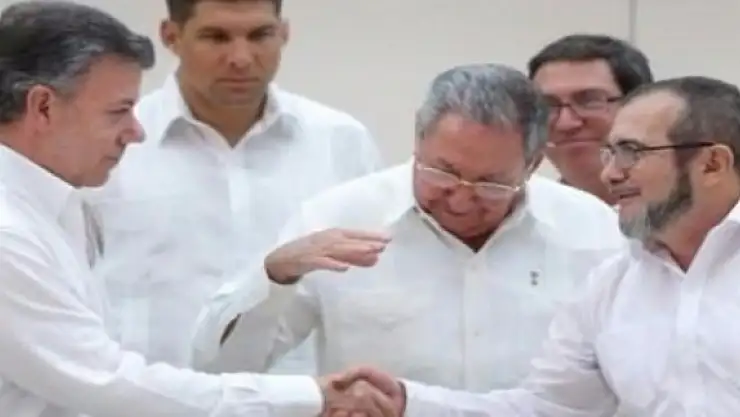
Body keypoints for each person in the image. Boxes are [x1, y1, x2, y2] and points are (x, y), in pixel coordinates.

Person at [0, 2, 393, 416]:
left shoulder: (53, 203)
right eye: (118, 112)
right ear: (42, 107)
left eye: (259, 34)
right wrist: (309, 397)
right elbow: (101, 379)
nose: (135, 132)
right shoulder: (13, 230)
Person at [191, 63, 624, 392]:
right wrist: (274, 276)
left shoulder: (592, 232)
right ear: (418, 138)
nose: (460, 199)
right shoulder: (338, 216)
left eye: (491, 184)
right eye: (442, 172)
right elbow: (221, 367)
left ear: (533, 164)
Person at [335, 75, 740, 417]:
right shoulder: (614, 282)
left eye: (631, 153)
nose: (610, 174)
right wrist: (407, 401)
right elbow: (548, 408)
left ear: (712, 164)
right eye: (611, 153)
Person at [85, 0, 382, 373]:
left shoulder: (341, 142)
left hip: (297, 395)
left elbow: (371, 287)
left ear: (284, 33)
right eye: (216, 37)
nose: (241, 58)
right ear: (171, 36)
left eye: (260, 35)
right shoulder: (109, 144)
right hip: (149, 394)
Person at [528, 34, 653, 205]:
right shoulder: (516, 214)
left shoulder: (683, 214)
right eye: (548, 104)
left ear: (642, 105)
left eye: (589, 101)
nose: (565, 123)